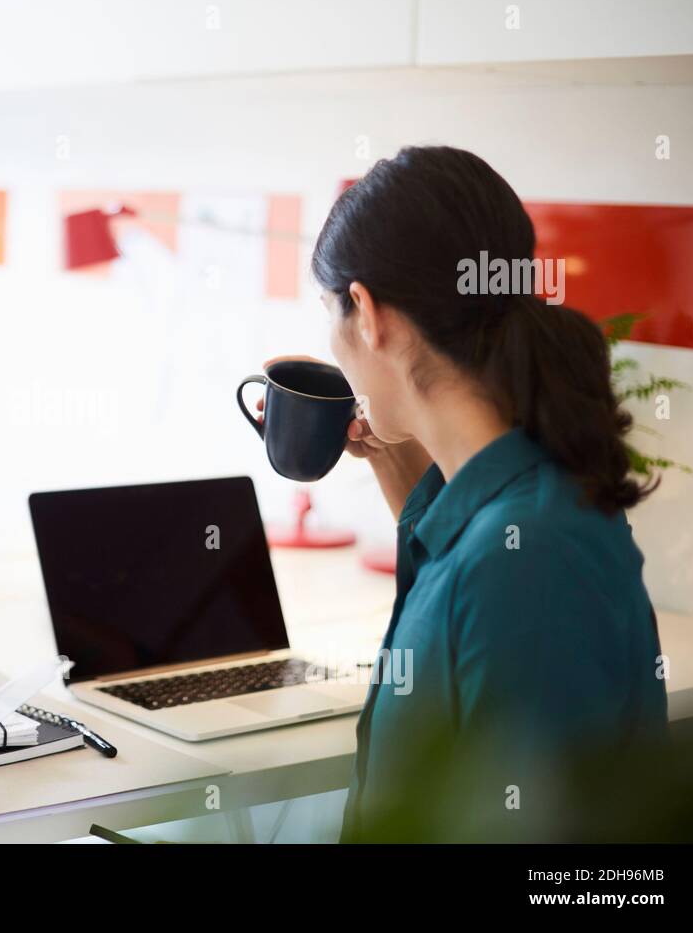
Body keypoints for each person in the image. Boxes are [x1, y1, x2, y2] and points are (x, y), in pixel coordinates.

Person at [273, 146, 668, 840]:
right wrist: (389, 458)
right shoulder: (507, 514)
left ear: (366, 313)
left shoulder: (529, 557)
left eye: (332, 315)